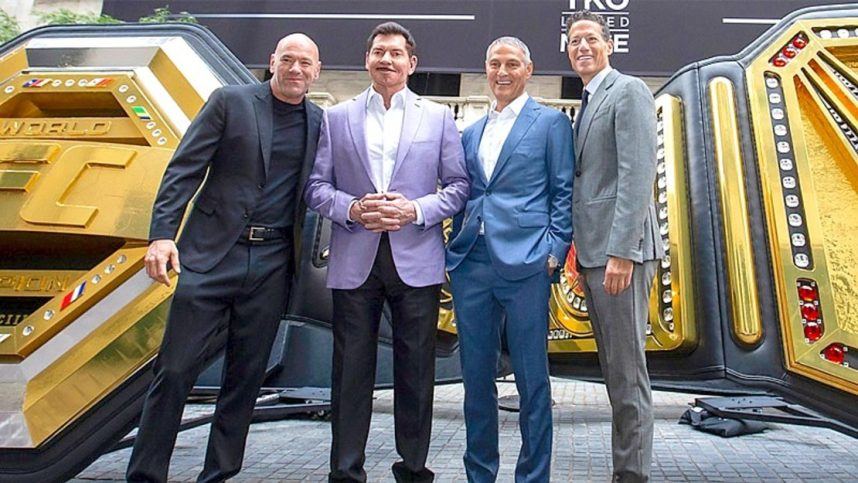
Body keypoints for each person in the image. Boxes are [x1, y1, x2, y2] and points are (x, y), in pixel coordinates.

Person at [126, 34, 323, 483]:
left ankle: (218, 473)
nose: (295, 69)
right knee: (174, 370)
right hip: (211, 256)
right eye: (287, 59)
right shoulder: (229, 102)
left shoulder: (320, 121)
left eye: (304, 63)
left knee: (245, 379)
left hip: (273, 264)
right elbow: (184, 169)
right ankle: (144, 475)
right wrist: (161, 235)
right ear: (273, 61)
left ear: (316, 70)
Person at [304, 21, 469, 483]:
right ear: (367, 60)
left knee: (416, 371)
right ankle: (345, 470)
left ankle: (413, 468)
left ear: (411, 64)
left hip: (416, 259)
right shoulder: (337, 117)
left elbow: (458, 188)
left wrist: (415, 209)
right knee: (351, 371)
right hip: (355, 259)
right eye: (379, 51)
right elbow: (316, 189)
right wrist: (352, 208)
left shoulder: (437, 118)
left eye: (396, 53)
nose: (387, 60)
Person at [445, 36, 574, 482]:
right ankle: (479, 474)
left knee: (531, 381)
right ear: (486, 68)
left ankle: (532, 477)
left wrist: (554, 253)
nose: (503, 72)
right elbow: (465, 194)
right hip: (472, 264)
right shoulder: (472, 131)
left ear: (529, 69)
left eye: (512, 64)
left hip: (528, 266)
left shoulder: (551, 124)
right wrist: (454, 247)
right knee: (475, 381)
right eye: (496, 63)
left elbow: (563, 193)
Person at [566, 10, 664, 482]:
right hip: (594, 254)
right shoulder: (588, 100)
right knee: (615, 372)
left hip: (620, 255)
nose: (581, 46)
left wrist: (622, 251)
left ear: (609, 44)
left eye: (590, 38)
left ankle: (632, 475)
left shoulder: (628, 91)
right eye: (573, 41)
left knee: (627, 376)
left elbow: (638, 175)